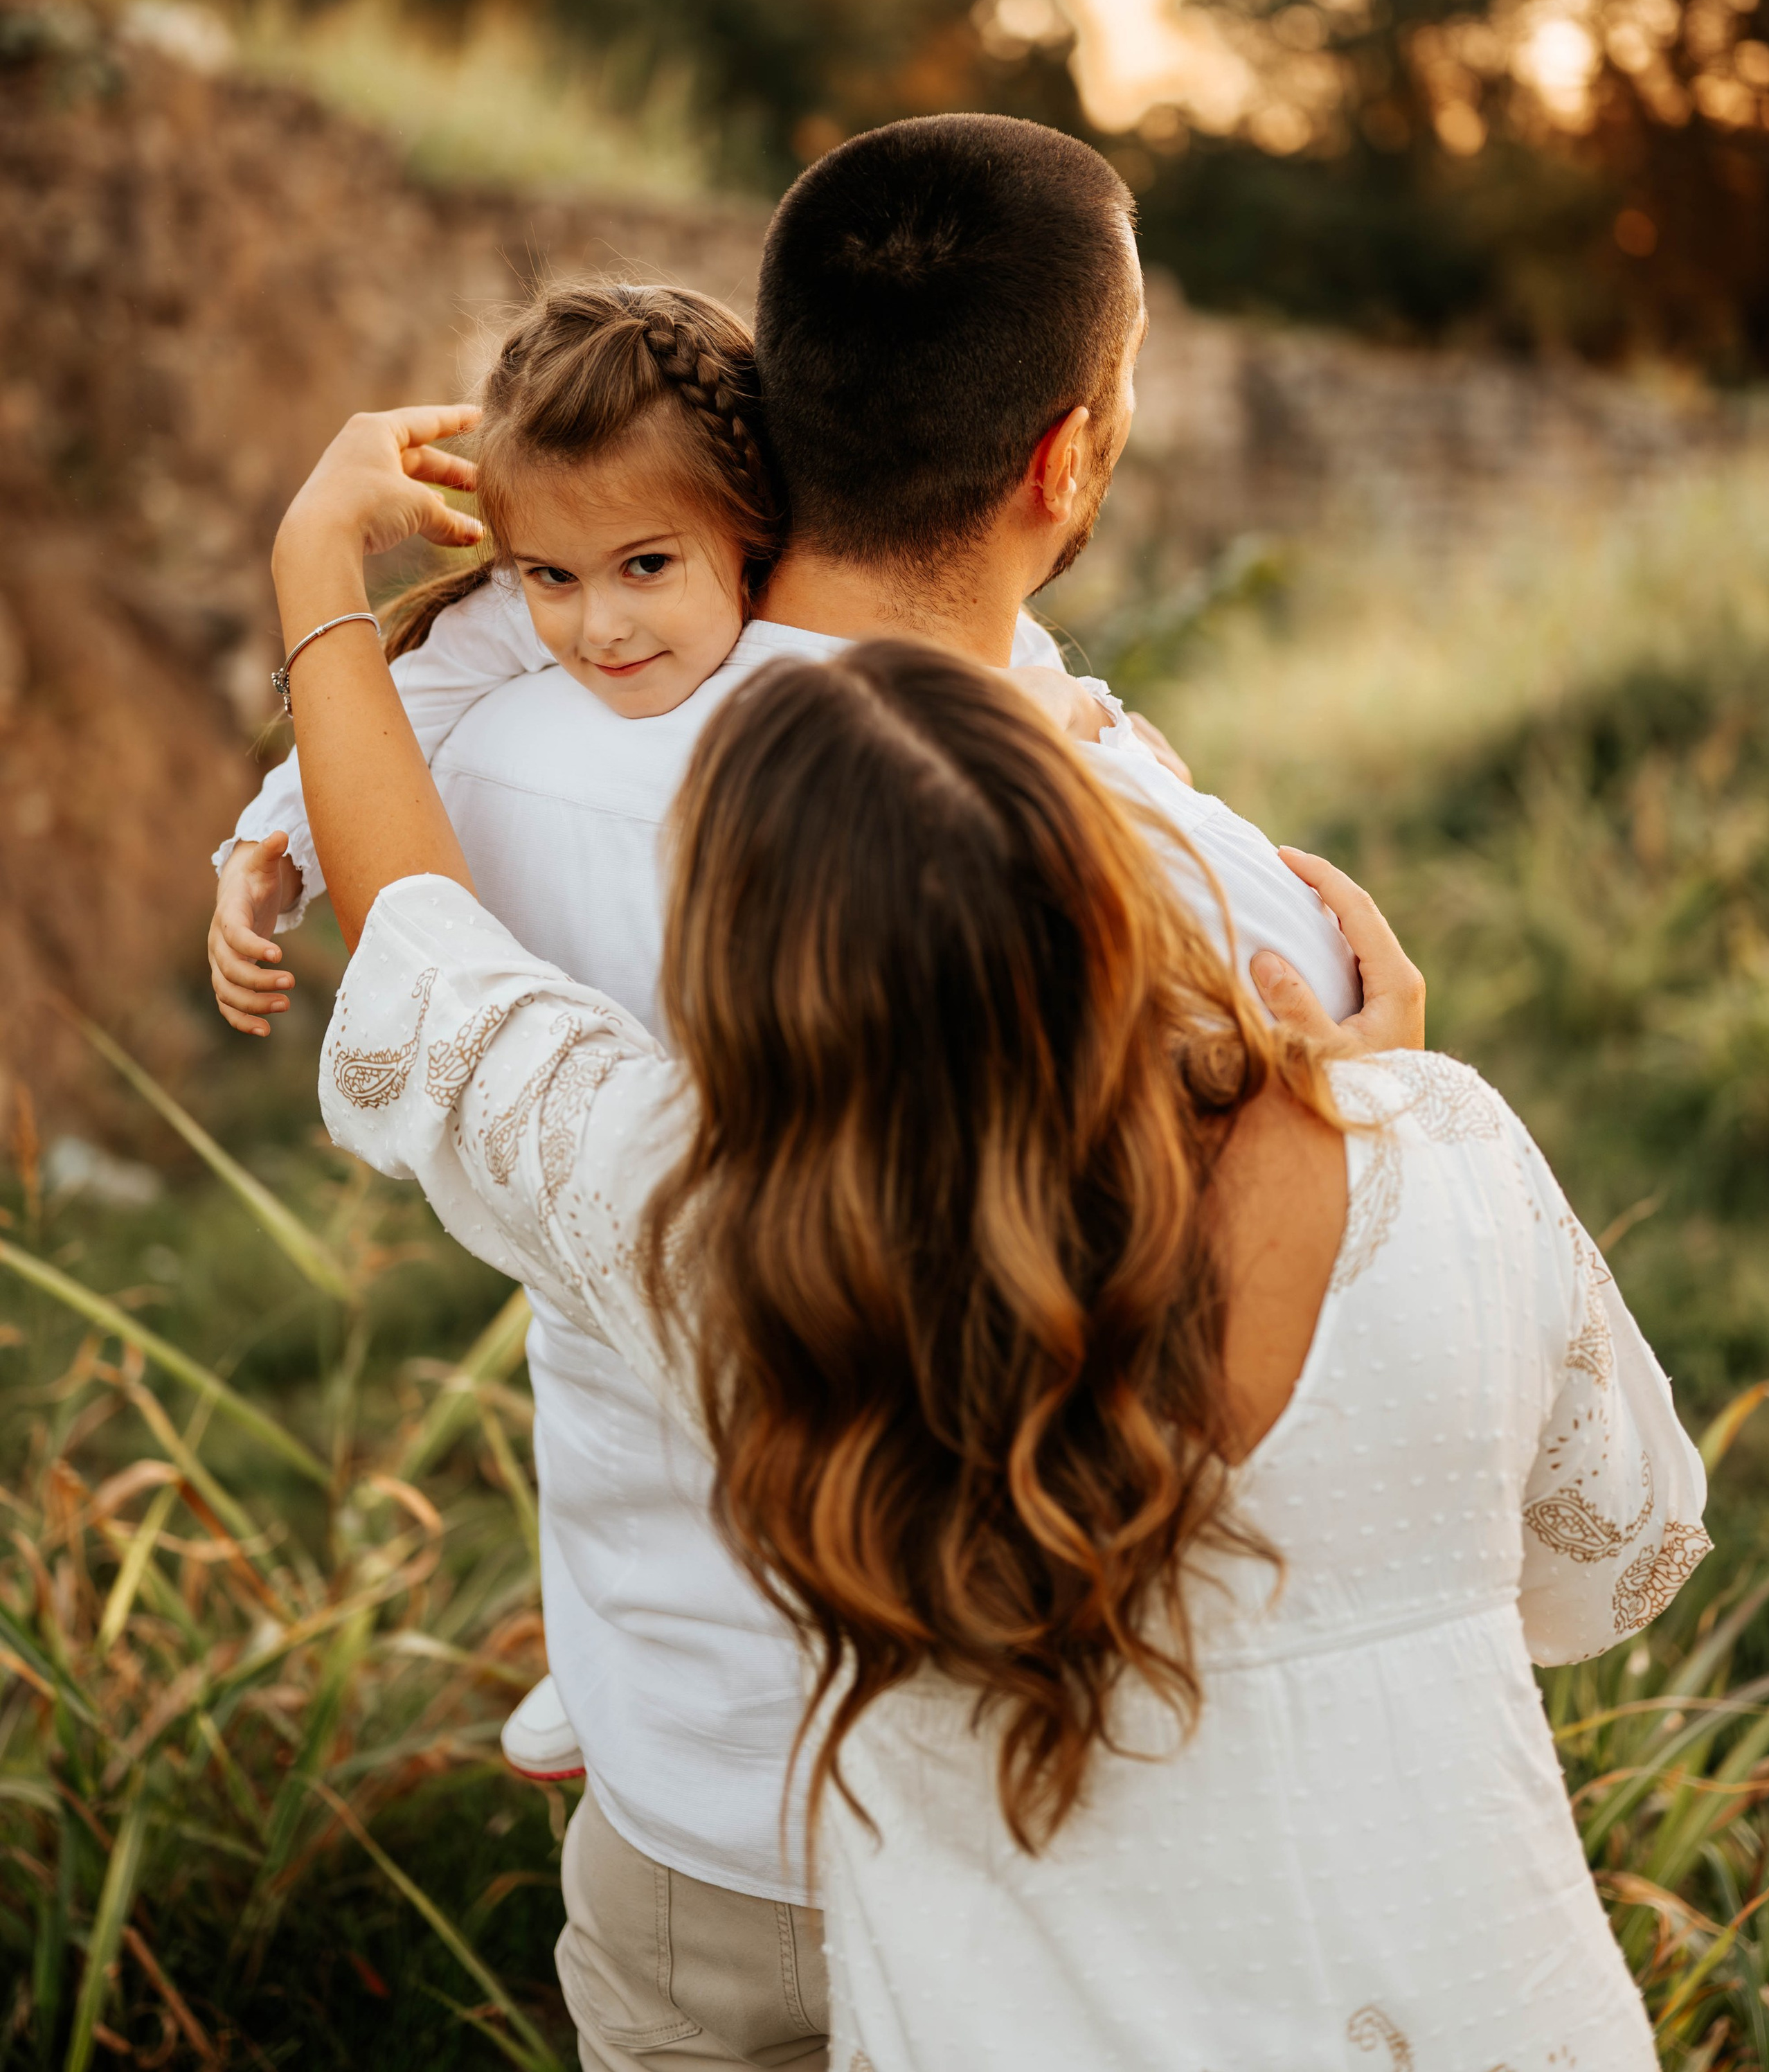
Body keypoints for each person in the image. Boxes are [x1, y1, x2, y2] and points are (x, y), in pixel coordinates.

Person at [271, 399, 1707, 2072]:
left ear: (736, 978)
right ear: (1106, 877)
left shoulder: (713, 1232)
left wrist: (317, 560)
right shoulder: (1432, 1144)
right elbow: (1604, 1556)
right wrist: (1360, 1109)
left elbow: (424, 953)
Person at [210, 119, 1403, 2070]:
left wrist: (311, 572)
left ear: (789, 404)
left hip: (688, 1811)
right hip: (1048, 1827)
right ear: (1068, 454)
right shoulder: (1228, 903)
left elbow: (401, 911)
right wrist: (1393, 1097)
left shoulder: (491, 766)